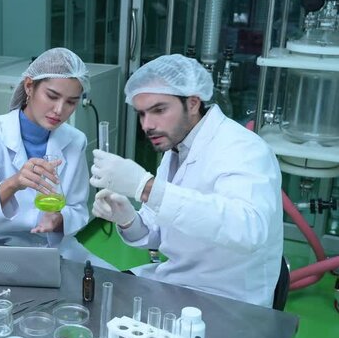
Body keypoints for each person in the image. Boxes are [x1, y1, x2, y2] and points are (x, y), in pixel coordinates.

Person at [89, 54, 283, 307]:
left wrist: (146, 188)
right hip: (175, 284)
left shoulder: (243, 149)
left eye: (159, 110)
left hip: (228, 299)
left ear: (192, 103)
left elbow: (249, 230)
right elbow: (158, 231)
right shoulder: (177, 149)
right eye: (141, 114)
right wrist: (127, 219)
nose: (147, 125)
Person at [0, 47, 114, 270]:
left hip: (52, 252)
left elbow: (78, 210)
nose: (59, 110)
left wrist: (60, 221)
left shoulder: (75, 141)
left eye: (71, 102)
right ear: (29, 86)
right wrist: (13, 183)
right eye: (52, 96)